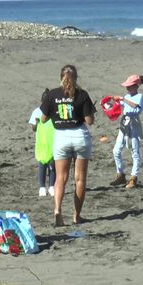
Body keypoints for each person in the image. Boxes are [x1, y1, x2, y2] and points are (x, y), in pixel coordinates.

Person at [40, 65, 95, 227]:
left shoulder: (52, 95)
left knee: (60, 177)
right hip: (79, 136)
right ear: (76, 78)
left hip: (61, 137)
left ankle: (57, 209)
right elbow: (89, 121)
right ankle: (77, 215)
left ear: (60, 77)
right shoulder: (82, 94)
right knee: (80, 179)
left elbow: (43, 119)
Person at [109, 75, 143, 189]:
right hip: (124, 124)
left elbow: (135, 106)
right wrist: (109, 103)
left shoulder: (140, 96)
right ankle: (120, 174)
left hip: (134, 125)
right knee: (116, 150)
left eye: (129, 86)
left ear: (136, 86)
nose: (127, 89)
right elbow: (117, 106)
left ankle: (133, 178)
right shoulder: (126, 96)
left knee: (135, 152)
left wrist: (123, 99)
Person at [29, 89, 55, 197]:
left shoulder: (53, 111)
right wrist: (36, 122)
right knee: (44, 165)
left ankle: (51, 186)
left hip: (52, 141)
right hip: (43, 143)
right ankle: (43, 187)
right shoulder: (37, 112)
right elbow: (33, 128)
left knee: (52, 166)